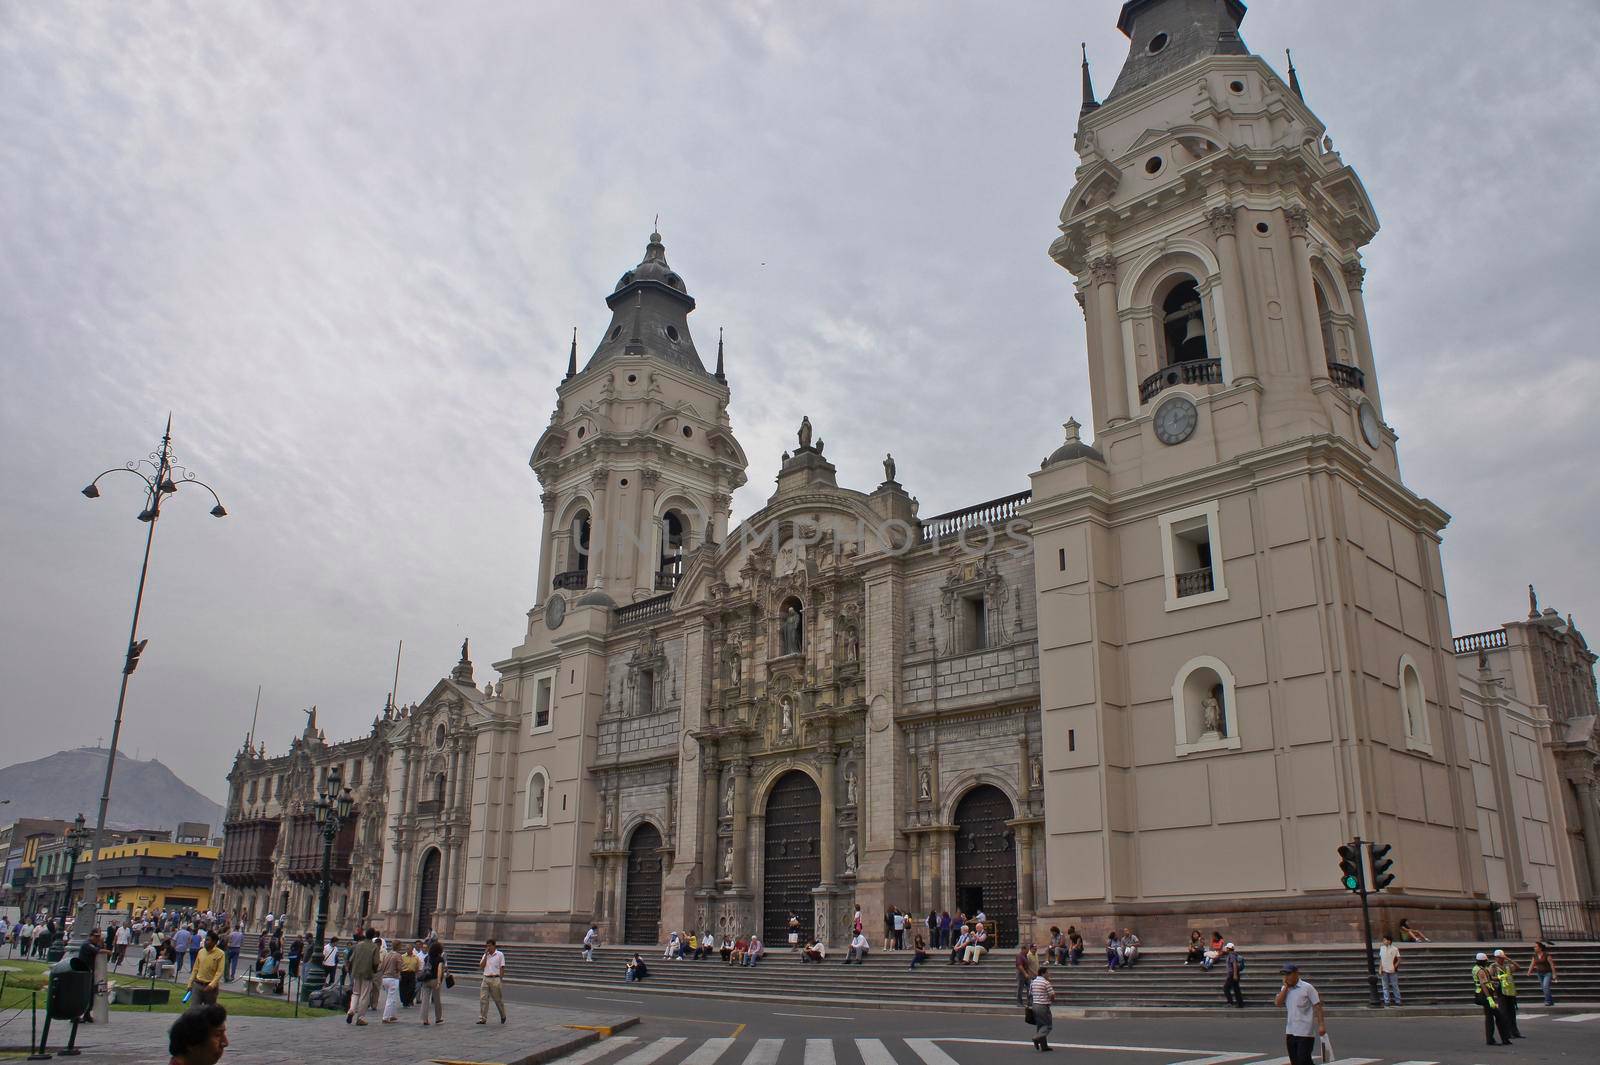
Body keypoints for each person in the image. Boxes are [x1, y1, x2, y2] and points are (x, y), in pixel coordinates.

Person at [1275, 963, 1325, 1065]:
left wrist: (1321, 1025)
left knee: (1303, 1060)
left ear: (1296, 973)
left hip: (1305, 1032)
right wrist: (1285, 988)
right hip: (1290, 1031)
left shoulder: (1307, 988)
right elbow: (1278, 1003)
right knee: (1295, 1061)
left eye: (1289, 974)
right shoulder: (1284, 989)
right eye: (1284, 974)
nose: (1286, 977)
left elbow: (1318, 1006)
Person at [1473, 951, 1512, 1047]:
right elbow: (1483, 984)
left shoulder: (1478, 968)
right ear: (1483, 961)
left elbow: (1488, 980)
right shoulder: (1481, 970)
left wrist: (1499, 977)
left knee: (1490, 1018)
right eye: (1486, 961)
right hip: (1485, 995)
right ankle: (1503, 1038)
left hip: (1481, 994)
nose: (1487, 962)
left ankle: (1492, 1039)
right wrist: (1490, 998)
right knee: (1498, 1017)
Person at [346, 930, 378, 1026]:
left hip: (356, 972)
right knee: (364, 995)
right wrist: (375, 971)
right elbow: (376, 962)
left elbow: (351, 959)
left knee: (355, 993)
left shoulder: (358, 945)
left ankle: (351, 1010)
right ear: (373, 936)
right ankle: (360, 1017)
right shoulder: (374, 947)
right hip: (367, 973)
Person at [189, 933, 226, 1007]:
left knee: (209, 1011)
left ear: (214, 942)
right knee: (194, 1010)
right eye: (205, 939)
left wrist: (211, 985)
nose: (205, 941)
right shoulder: (201, 952)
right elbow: (195, 969)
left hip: (210, 988)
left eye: (208, 940)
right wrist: (190, 984)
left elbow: (219, 972)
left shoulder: (220, 954)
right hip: (198, 985)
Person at [1492, 950, 1523, 1038]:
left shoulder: (1507, 966)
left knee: (1512, 1013)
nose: (1501, 960)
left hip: (1510, 991)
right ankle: (1507, 1033)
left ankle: (1515, 1032)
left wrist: (1508, 959)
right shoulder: (1493, 966)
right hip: (1501, 991)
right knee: (1504, 1013)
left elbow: (1518, 967)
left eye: (1502, 958)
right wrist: (1498, 977)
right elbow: (1490, 976)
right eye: (1500, 958)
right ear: (1496, 958)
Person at [476, 939, 506, 1024]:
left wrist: (500, 979)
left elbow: (502, 967)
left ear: (494, 945)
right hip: (486, 978)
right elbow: (481, 966)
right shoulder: (486, 955)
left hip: (495, 978)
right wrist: (485, 955)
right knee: (483, 999)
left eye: (489, 945)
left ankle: (503, 1015)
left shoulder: (500, 954)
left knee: (497, 1000)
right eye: (487, 946)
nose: (488, 947)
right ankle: (483, 1018)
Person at [418, 940, 447, 1026]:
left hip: (426, 980)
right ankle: (438, 1018)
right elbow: (439, 970)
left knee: (425, 1000)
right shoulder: (440, 959)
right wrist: (438, 982)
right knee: (437, 1000)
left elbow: (424, 969)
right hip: (434, 980)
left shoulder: (427, 957)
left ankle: (425, 1019)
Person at [1029, 964, 1056, 1052]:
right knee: (1047, 1026)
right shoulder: (1046, 982)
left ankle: (1044, 1046)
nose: (1048, 974)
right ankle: (1036, 1038)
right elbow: (1052, 995)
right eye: (1047, 973)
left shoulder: (1033, 982)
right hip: (1043, 1006)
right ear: (1043, 973)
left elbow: (1030, 994)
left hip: (1035, 1005)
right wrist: (1051, 1000)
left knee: (1040, 1026)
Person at [378, 941, 403, 1023]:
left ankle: (392, 1015)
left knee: (393, 997)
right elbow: (399, 968)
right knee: (390, 998)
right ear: (398, 946)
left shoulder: (387, 954)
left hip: (385, 978)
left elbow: (382, 966)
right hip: (393, 978)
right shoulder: (398, 955)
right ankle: (385, 1017)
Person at [1527, 941, 1557, 1007]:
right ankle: (1550, 1001)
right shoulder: (1534, 955)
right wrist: (1529, 971)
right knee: (1544, 987)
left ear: (1540, 948)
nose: (1534, 948)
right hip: (1539, 973)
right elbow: (1532, 964)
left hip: (1547, 973)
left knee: (1545, 986)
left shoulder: (1546, 955)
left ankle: (1548, 1001)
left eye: (1535, 947)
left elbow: (1552, 965)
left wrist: (1554, 974)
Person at [1378, 934, 1402, 1007]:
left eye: (1385, 940)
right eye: (1383, 940)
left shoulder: (1395, 949)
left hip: (1392, 970)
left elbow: (1399, 959)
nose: (1383, 941)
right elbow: (1381, 959)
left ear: (1389, 941)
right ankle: (1387, 1001)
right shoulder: (1382, 948)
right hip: (1384, 969)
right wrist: (1380, 968)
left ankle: (1398, 1000)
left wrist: (1395, 966)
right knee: (1385, 986)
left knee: (1395, 986)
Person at [1221, 943, 1245, 1008]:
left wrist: (1234, 975)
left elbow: (1234, 964)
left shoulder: (1231, 955)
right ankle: (1240, 1004)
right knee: (1236, 989)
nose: (1226, 949)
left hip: (1232, 974)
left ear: (1228, 948)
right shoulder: (1234, 954)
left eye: (1226, 948)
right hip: (1234, 973)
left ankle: (1230, 1002)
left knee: (1225, 988)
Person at [1015, 941, 1039, 1006]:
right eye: (1027, 949)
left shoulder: (1025, 956)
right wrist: (1025, 973)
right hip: (1021, 974)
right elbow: (1020, 966)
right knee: (1020, 988)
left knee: (1030, 987)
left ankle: (1029, 1002)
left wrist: (1031, 973)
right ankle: (1019, 1002)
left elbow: (1027, 966)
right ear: (1023, 949)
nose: (1028, 951)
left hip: (1026, 974)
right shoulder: (1019, 956)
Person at [400, 941, 422, 1007]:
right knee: (403, 988)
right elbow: (400, 965)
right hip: (404, 973)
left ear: (412, 949)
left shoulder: (416, 957)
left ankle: (409, 1000)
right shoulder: (402, 956)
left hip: (412, 974)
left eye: (409, 948)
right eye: (406, 948)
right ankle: (405, 1001)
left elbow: (417, 966)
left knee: (412, 988)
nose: (407, 950)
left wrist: (417, 974)